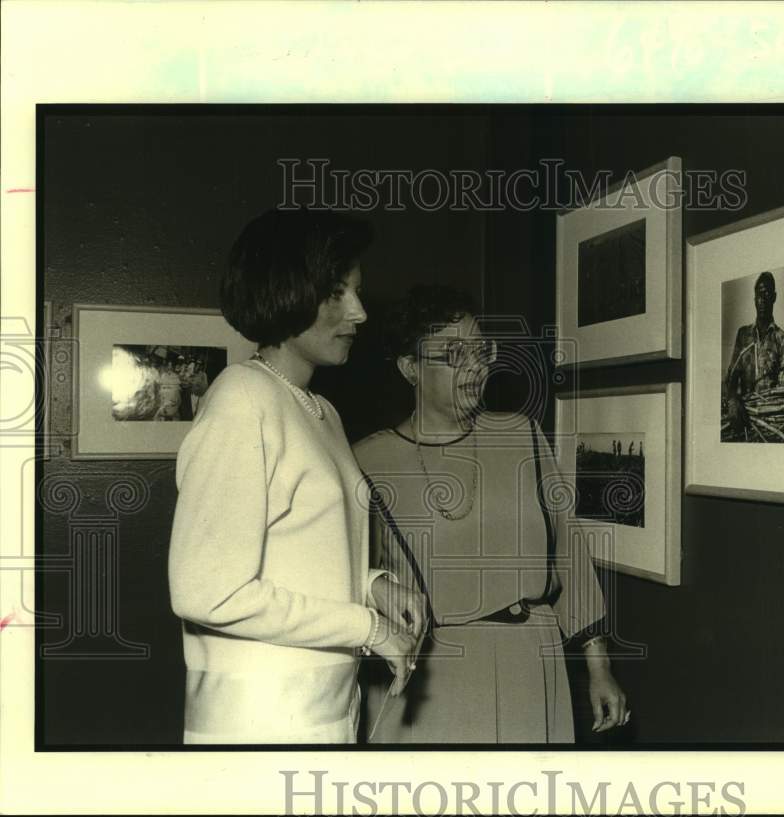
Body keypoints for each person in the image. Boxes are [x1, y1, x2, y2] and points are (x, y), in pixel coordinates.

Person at [168, 209, 424, 744]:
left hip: (328, 705)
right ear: (286, 291)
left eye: (357, 291)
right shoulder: (242, 399)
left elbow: (301, 552)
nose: (358, 312)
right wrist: (369, 628)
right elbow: (208, 593)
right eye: (336, 293)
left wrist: (373, 586)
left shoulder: (320, 410)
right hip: (256, 720)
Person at [353, 285, 628, 743]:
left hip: (533, 663)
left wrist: (599, 667)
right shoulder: (365, 462)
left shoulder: (523, 436)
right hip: (430, 679)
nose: (474, 367)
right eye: (454, 353)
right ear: (410, 368)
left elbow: (570, 557)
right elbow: (349, 582)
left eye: (481, 351)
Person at [722, 271, 784, 442]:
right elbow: (731, 378)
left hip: (771, 426)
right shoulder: (743, 335)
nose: (762, 300)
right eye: (758, 295)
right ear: (754, 299)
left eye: (767, 294)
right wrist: (733, 398)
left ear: (774, 297)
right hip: (740, 424)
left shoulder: (782, 341)